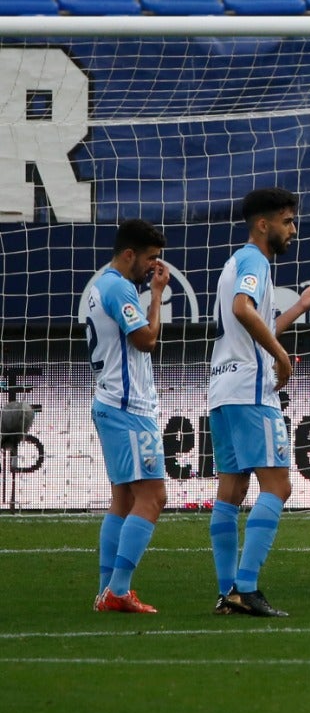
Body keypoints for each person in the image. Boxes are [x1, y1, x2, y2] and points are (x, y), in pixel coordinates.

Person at [209, 188, 310, 618]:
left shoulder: (235, 263)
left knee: (231, 489)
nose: (292, 229)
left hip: (223, 391)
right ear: (264, 225)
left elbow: (251, 322)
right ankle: (245, 588)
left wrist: (299, 305)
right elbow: (244, 310)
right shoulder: (255, 261)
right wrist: (282, 356)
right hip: (250, 391)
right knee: (278, 486)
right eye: (287, 221)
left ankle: (228, 592)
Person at [87, 219, 170, 614]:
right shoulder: (119, 287)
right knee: (153, 496)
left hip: (109, 402)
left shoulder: (98, 285)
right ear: (129, 254)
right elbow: (147, 340)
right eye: (150, 258)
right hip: (128, 408)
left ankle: (107, 592)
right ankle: (118, 590)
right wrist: (156, 298)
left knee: (122, 498)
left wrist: (150, 291)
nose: (154, 267)